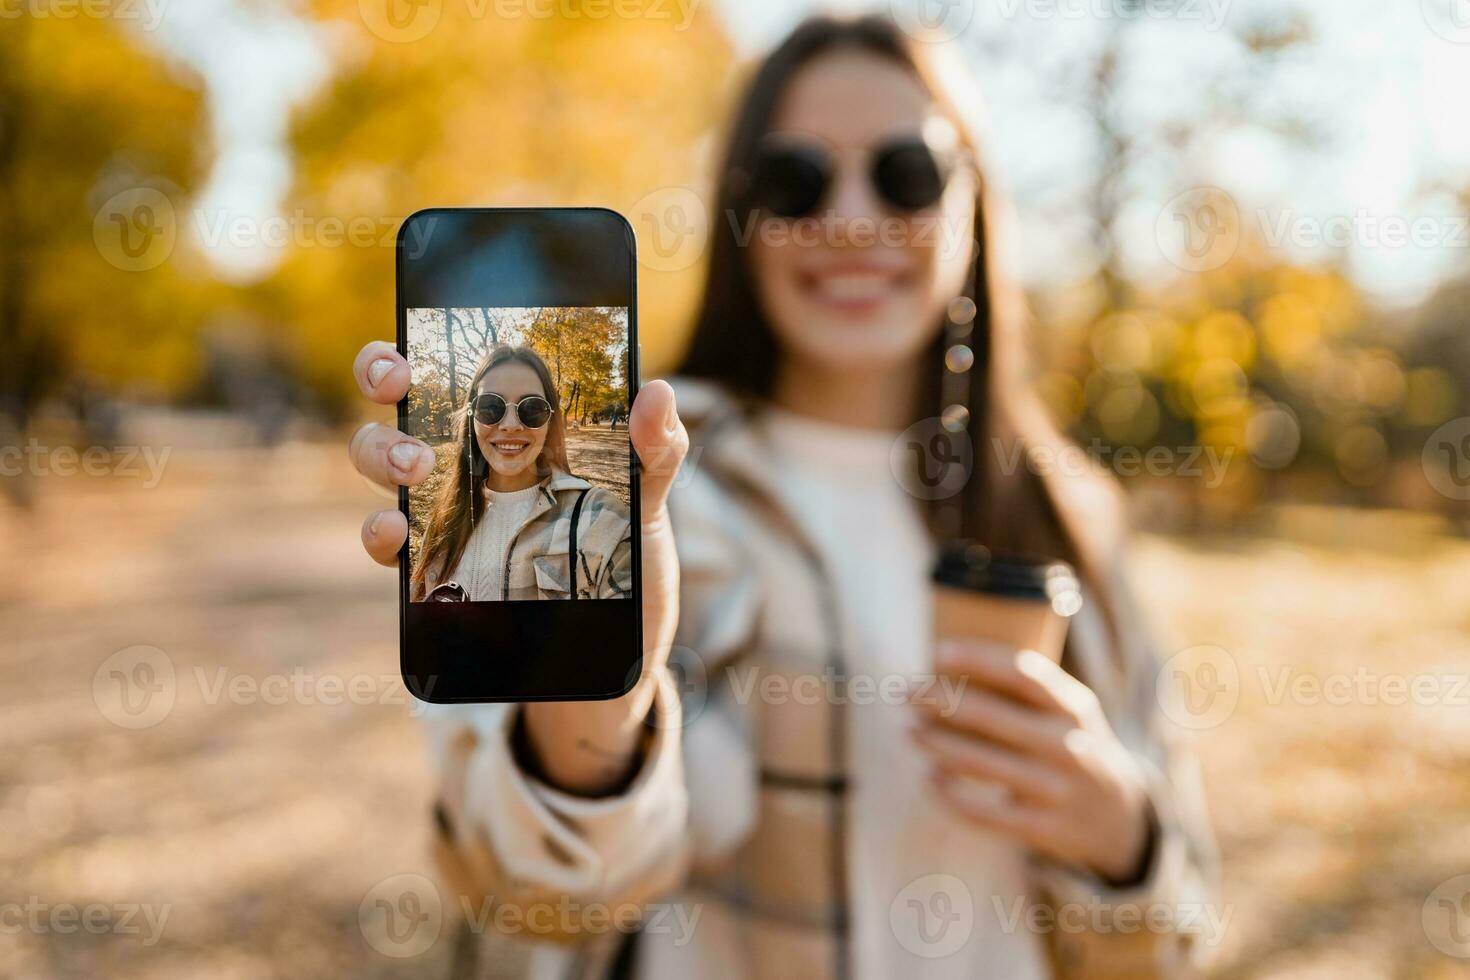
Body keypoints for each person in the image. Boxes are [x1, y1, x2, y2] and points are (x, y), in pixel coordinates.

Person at [348, 14, 1215, 979]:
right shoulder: (648, 480)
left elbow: (1180, 935)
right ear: (742, 217)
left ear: (974, 206)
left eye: (907, 174)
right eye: (796, 180)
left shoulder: (1069, 510)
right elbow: (542, 896)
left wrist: (1122, 834)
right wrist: (601, 692)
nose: (849, 218)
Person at [408, 344, 633, 601]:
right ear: (471, 416)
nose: (511, 425)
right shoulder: (443, 524)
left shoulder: (601, 519)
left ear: (550, 421)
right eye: (491, 407)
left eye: (531, 409)